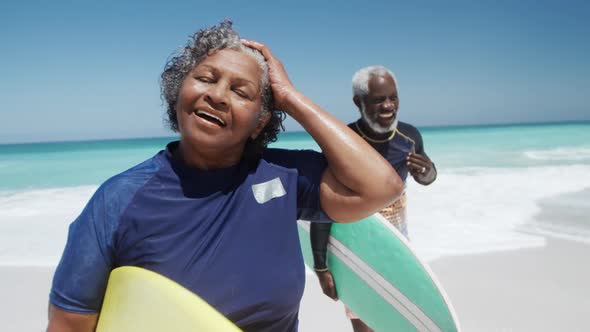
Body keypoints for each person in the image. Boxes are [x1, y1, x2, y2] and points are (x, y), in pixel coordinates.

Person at [46, 22, 403, 332]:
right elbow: (69, 325)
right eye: (205, 78)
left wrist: (291, 98)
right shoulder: (118, 200)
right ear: (178, 92)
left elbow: (380, 187)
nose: (217, 96)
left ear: (261, 121)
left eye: (240, 91)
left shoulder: (285, 178)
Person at [310, 65, 437, 332]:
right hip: (356, 245)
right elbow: (324, 205)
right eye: (379, 99)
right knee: (364, 321)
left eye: (393, 97)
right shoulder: (342, 141)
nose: (389, 105)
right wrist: (321, 265)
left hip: (397, 241)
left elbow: (427, 176)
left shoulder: (409, 136)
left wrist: (427, 172)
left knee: (398, 318)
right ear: (359, 102)